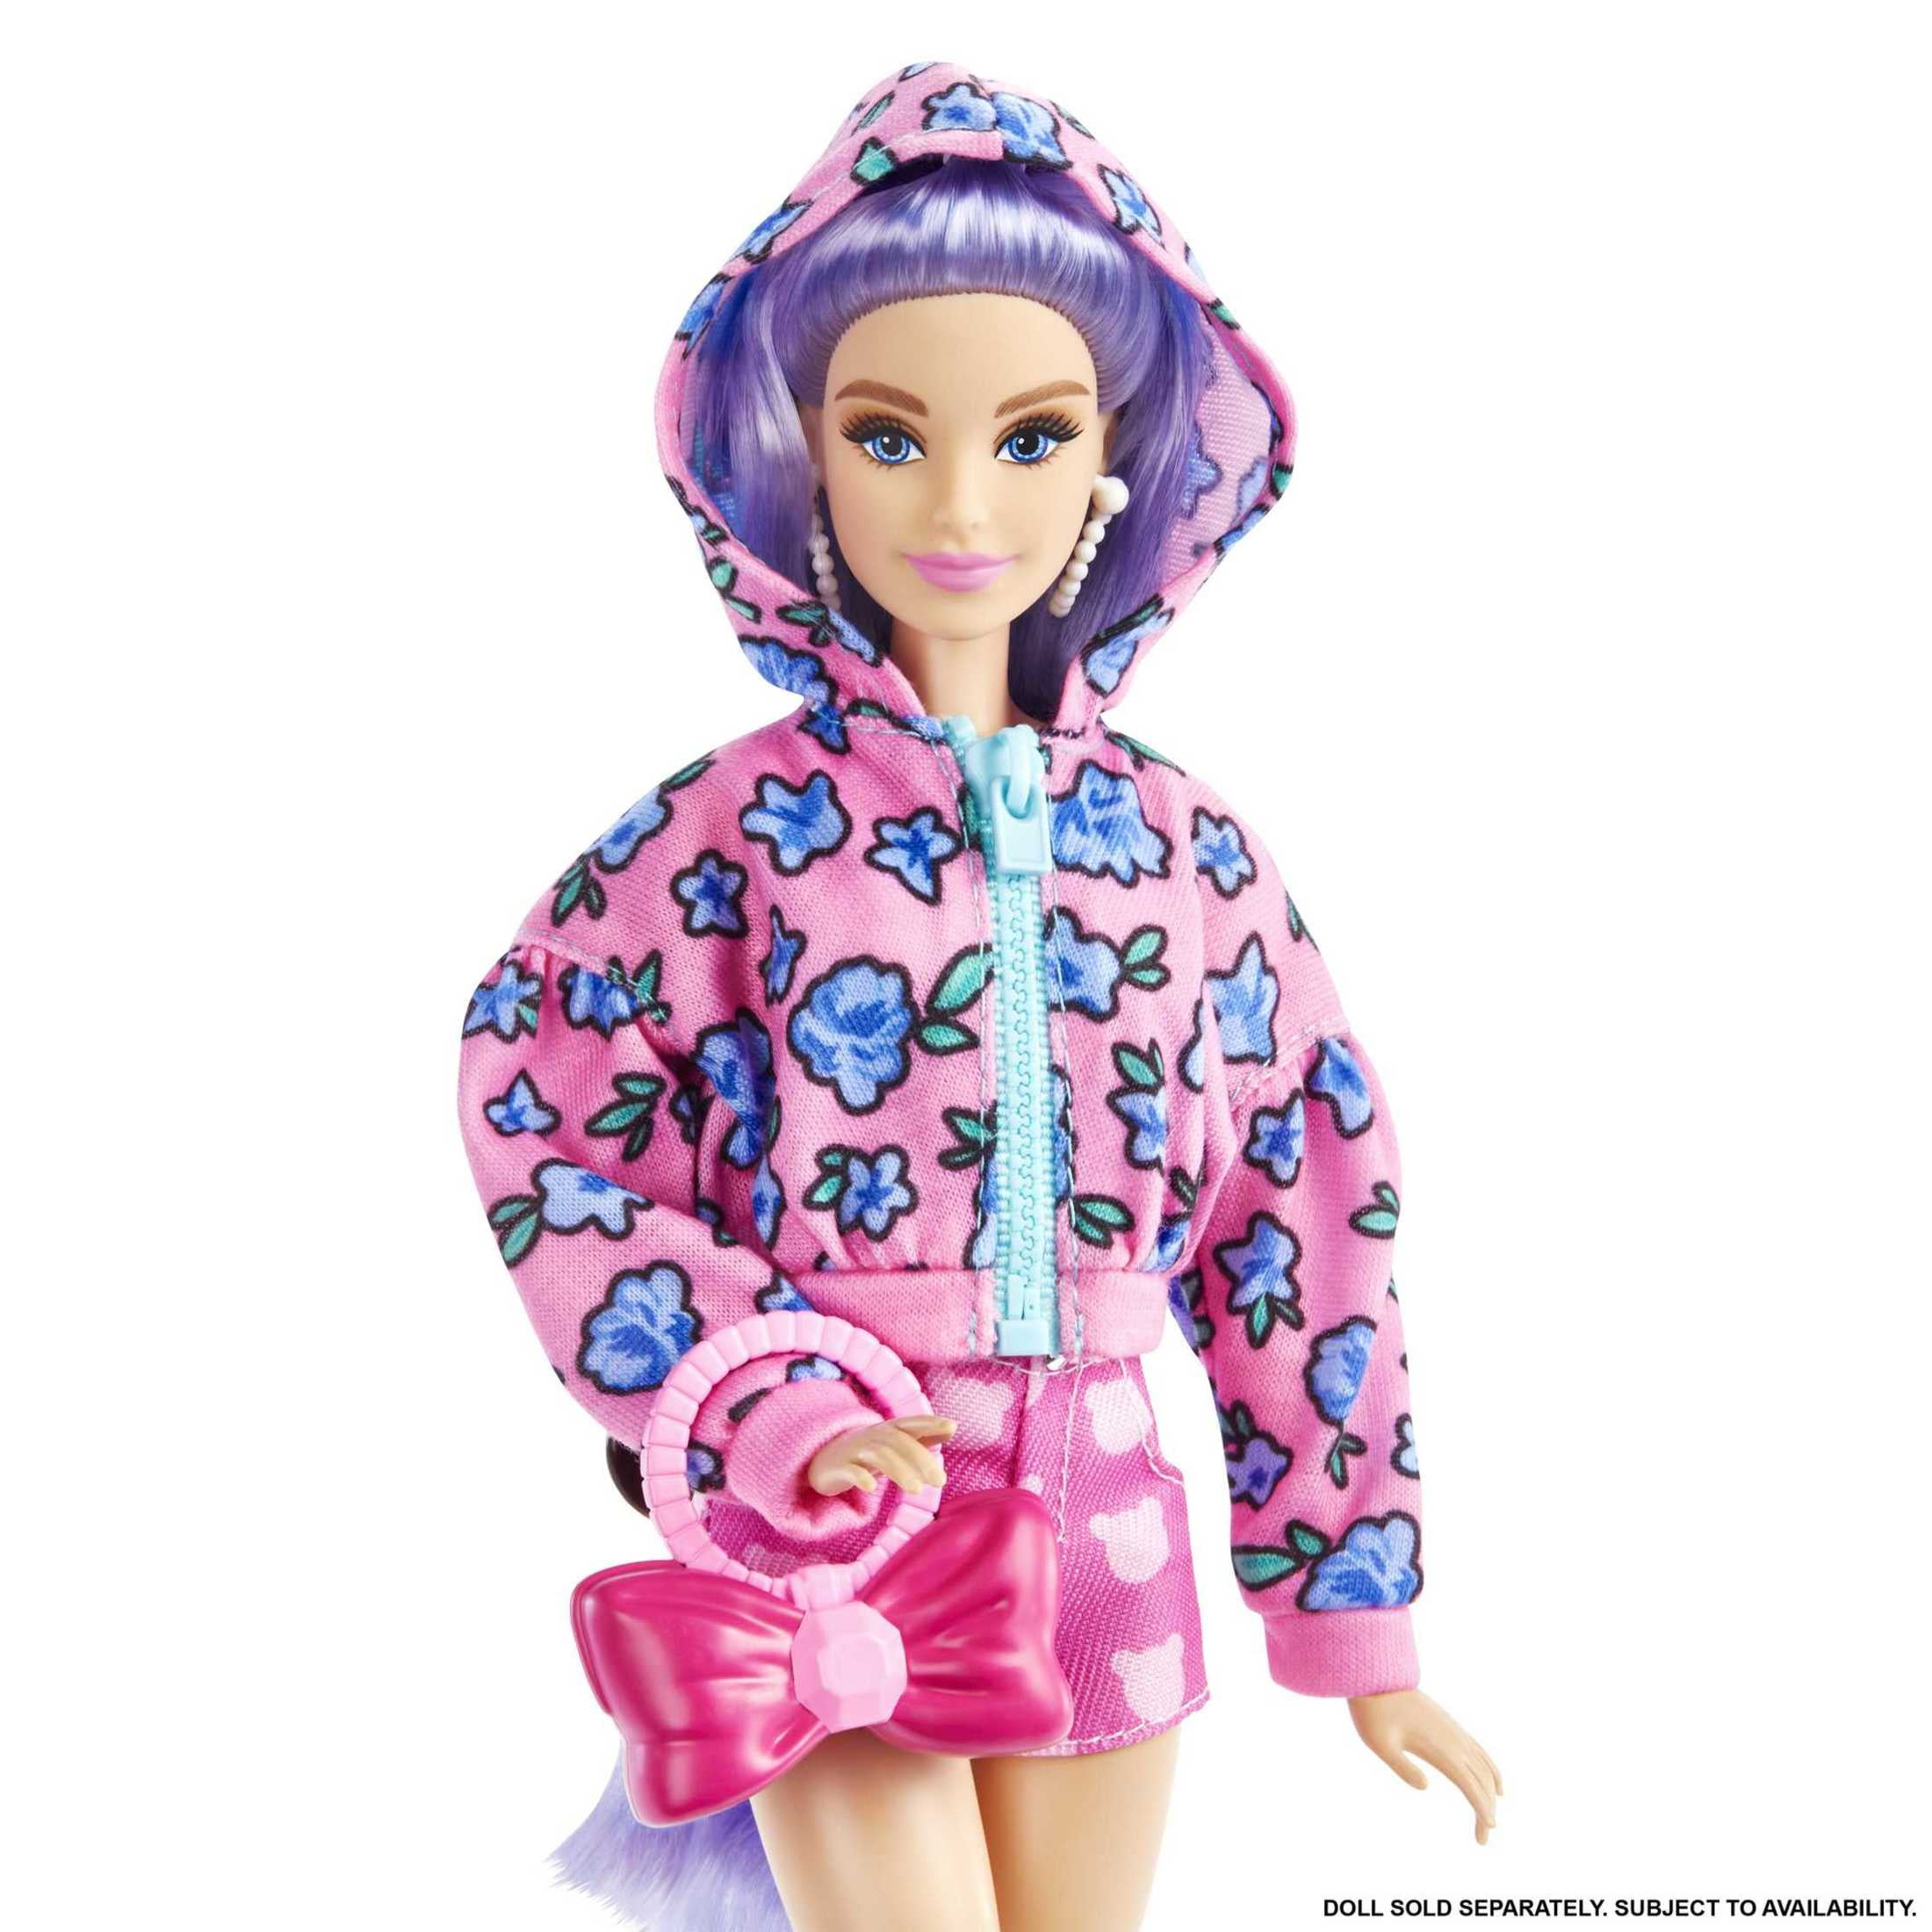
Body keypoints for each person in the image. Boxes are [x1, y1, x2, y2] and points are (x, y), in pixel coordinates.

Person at [457, 61, 1501, 1932]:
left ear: (1116, 466)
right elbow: (546, 1110)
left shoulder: (1187, 854)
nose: (955, 501)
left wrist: (1355, 1606)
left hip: (1112, 1520)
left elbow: (1303, 1214)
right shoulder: (732, 837)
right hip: (840, 1515)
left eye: (1027, 437)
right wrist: (765, 1395)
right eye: (887, 435)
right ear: (796, 454)